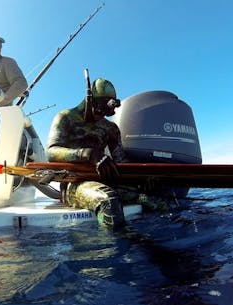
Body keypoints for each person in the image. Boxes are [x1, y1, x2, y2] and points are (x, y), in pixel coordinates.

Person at [47, 78, 167, 230]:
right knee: (108, 201)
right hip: (74, 183)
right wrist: (89, 154)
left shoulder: (110, 128)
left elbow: (121, 160)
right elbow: (51, 152)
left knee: (155, 200)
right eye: (99, 109)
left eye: (105, 112)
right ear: (89, 100)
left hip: (105, 180)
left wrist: (142, 178)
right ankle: (115, 252)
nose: (101, 115)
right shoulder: (65, 118)